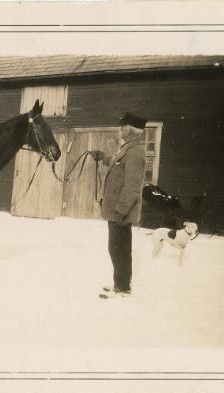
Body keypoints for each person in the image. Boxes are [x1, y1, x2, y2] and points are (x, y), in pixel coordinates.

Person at [90, 112, 147, 299]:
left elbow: (132, 186)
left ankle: (123, 288)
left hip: (121, 212)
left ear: (131, 131)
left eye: (123, 127)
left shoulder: (135, 151)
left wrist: (121, 210)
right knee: (116, 248)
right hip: (116, 211)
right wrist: (102, 157)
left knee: (120, 249)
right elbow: (116, 164)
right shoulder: (127, 149)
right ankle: (119, 284)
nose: (120, 129)